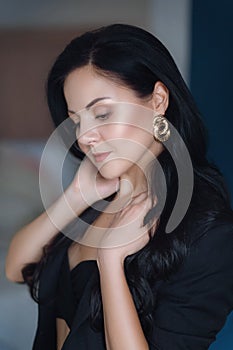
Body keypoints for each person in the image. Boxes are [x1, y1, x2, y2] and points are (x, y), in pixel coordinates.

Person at [5, 23, 233, 350]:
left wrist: (111, 262)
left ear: (157, 100)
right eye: (76, 121)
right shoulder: (99, 199)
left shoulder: (209, 237)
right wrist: (76, 196)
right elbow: (16, 268)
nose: (84, 137)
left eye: (102, 114)